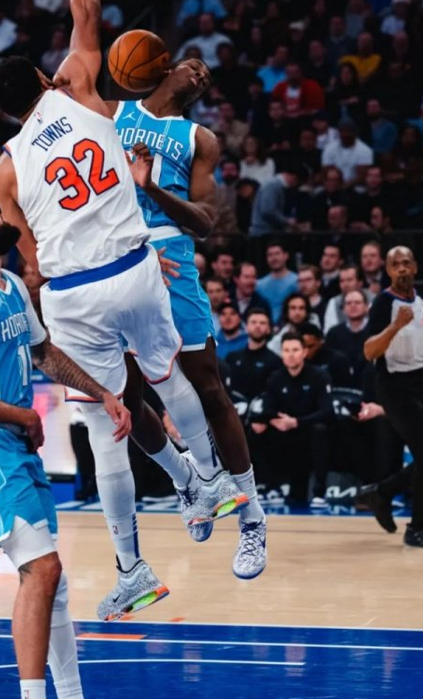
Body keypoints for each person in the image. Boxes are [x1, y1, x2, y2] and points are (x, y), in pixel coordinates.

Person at [0, 0, 249, 620]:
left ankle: (133, 568)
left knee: (108, 428)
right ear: (42, 78)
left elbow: (31, 258)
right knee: (169, 377)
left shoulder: (4, 169)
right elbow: (86, 10)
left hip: (72, 290)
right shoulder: (77, 83)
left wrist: (46, 312)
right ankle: (213, 481)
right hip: (134, 265)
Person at [0, 197, 120, 699]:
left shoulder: (12, 285)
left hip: (12, 446)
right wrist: (24, 415)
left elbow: (44, 354)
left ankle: (71, 694)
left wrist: (101, 393)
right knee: (42, 569)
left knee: (51, 582)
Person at [111, 36, 268, 575]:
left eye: (206, 76)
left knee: (208, 385)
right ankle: (186, 481)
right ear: (163, 66)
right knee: (127, 395)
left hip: (171, 255)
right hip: (117, 258)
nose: (200, 74)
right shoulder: (114, 111)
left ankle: (252, 517)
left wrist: (153, 189)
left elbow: (205, 221)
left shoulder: (199, 138)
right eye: (193, 65)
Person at [362, 247, 423, 548]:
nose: (402, 268)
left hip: (421, 381)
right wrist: (395, 326)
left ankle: (381, 493)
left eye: (407, 262)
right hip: (393, 385)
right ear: (389, 270)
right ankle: (418, 526)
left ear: (415, 267)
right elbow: (369, 351)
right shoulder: (383, 303)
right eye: (396, 264)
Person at [252, 332, 334, 506]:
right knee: (258, 429)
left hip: (308, 429)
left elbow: (327, 411)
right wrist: (272, 421)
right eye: (286, 350)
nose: (290, 355)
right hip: (284, 431)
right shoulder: (275, 378)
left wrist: (296, 422)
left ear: (304, 352)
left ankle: (320, 491)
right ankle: (268, 486)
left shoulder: (319, 376)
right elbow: (267, 408)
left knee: (320, 430)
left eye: (295, 350)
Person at [226, 309, 283, 404]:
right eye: (253, 322)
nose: (257, 326)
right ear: (246, 327)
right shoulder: (232, 358)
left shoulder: (276, 361)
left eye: (262, 323)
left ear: (269, 329)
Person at [325, 289, 370, 385]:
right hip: (340, 385)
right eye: (348, 303)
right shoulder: (333, 333)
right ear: (343, 309)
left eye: (357, 302)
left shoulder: (375, 331)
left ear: (366, 306)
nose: (353, 306)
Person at [248, 167, 304, 237]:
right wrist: (287, 221)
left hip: (269, 232)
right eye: (295, 181)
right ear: (292, 176)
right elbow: (268, 211)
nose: (294, 185)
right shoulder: (273, 186)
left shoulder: (278, 186)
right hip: (264, 233)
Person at [256, 240, 299, 323]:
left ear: (286, 256)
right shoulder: (259, 284)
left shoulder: (297, 281)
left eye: (277, 254)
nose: (274, 258)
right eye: (270, 255)